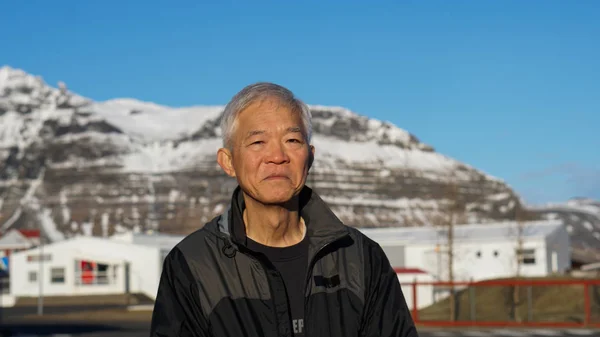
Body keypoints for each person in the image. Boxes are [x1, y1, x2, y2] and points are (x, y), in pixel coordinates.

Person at [149, 82, 419, 337]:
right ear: (228, 162)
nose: (277, 156)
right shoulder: (192, 264)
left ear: (309, 157)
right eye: (257, 142)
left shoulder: (361, 258)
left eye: (292, 140)